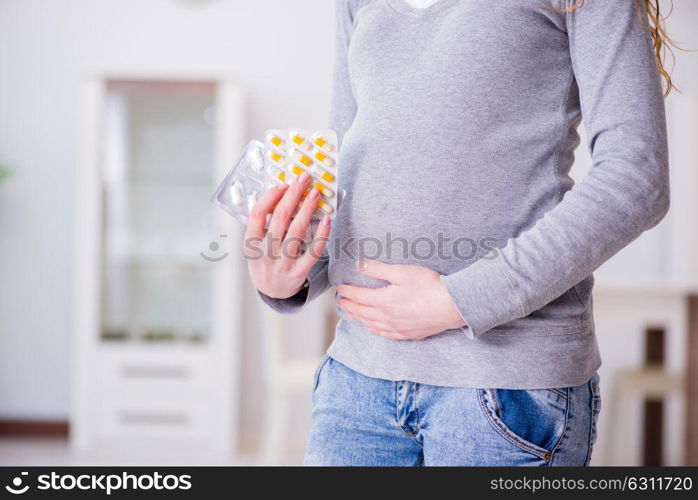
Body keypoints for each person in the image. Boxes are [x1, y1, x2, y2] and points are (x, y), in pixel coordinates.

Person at [245, 0, 673, 466]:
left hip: (504, 390)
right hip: (356, 380)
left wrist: (458, 301)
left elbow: (637, 179)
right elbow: (348, 166)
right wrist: (292, 275)